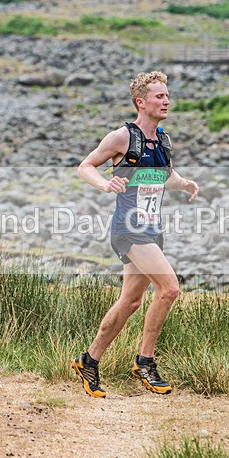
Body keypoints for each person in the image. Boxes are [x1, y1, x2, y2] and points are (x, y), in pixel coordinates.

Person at [72, 71, 199, 398]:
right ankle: (145, 362)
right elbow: (86, 166)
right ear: (141, 102)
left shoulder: (163, 140)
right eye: (159, 96)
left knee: (130, 302)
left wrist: (183, 183)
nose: (166, 100)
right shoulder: (121, 138)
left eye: (167, 95)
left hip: (152, 229)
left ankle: (89, 359)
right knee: (170, 289)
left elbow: (164, 175)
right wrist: (105, 183)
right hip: (129, 229)